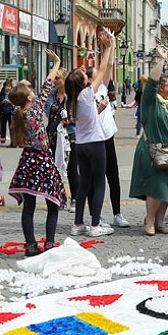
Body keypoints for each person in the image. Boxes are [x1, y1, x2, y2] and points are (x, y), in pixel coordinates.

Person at [7, 50, 67, 256]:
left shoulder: (19, 115)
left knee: (29, 207)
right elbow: (47, 85)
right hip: (42, 161)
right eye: (28, 89)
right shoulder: (33, 111)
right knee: (52, 203)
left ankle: (31, 245)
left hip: (27, 163)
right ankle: (49, 243)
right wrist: (57, 63)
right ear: (27, 97)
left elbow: (45, 87)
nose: (33, 90)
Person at [64, 30, 115, 238]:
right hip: (95, 143)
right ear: (81, 82)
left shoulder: (72, 100)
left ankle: (77, 224)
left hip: (81, 144)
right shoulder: (86, 94)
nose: (87, 75)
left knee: (84, 184)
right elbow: (103, 69)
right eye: (84, 75)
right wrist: (109, 47)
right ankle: (95, 225)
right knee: (99, 183)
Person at [130, 45, 168, 236]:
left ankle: (160, 222)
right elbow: (152, 81)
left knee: (167, 188)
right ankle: (149, 220)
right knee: (156, 186)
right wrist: (160, 60)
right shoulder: (151, 101)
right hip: (153, 150)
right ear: (160, 87)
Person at [86, 67, 127, 229]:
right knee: (96, 180)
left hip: (108, 137)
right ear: (90, 79)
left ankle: (117, 213)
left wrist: (110, 46)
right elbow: (86, 117)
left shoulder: (102, 87)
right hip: (95, 140)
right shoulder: (86, 94)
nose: (101, 76)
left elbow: (108, 66)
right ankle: (96, 215)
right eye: (97, 75)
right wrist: (99, 109)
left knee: (113, 176)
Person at [44, 68, 77, 205]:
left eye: (58, 78)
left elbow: (78, 114)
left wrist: (70, 119)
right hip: (52, 135)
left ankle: (75, 199)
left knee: (72, 168)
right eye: (54, 78)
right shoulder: (51, 94)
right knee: (53, 169)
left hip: (69, 136)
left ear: (65, 79)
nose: (55, 81)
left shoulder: (72, 95)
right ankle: (58, 197)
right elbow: (47, 112)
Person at [0, 79, 15, 144]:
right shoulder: (1, 94)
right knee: (3, 127)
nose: (8, 88)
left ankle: (13, 141)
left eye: (9, 86)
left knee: (12, 127)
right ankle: (2, 140)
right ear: (4, 87)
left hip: (11, 112)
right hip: (3, 112)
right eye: (6, 86)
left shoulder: (13, 94)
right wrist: (2, 102)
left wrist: (9, 102)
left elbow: (15, 103)